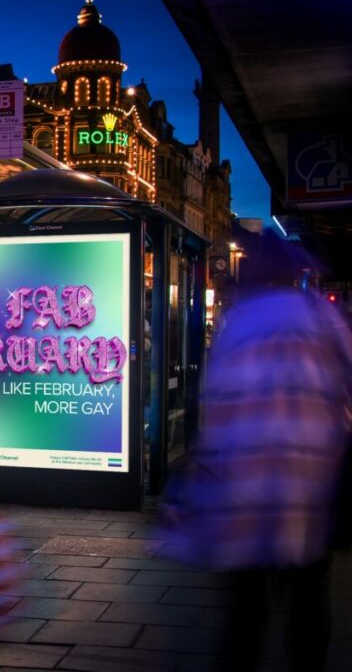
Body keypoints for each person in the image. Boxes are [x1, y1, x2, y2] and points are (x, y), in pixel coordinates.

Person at [159, 230, 352, 672]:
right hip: (309, 491)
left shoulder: (237, 326)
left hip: (241, 498)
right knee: (308, 600)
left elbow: (213, 406)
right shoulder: (324, 320)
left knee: (244, 613)